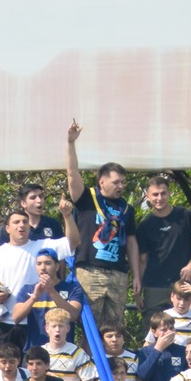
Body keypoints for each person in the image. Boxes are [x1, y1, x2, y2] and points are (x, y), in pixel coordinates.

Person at [64, 125, 142, 319]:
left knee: (115, 330)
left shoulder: (126, 208)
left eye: (123, 182)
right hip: (90, 270)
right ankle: (90, 352)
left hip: (118, 273)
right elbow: (72, 174)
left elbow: (132, 244)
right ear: (102, 182)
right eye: (116, 182)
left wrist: (136, 276)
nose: (121, 186)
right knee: (91, 328)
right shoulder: (87, 198)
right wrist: (70, 143)